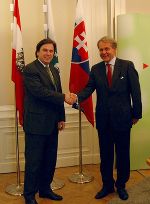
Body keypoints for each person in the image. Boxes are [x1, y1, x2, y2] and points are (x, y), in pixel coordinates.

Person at [76, 36, 142, 200]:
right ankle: (107, 185)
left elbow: (136, 92)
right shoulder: (96, 68)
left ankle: (121, 186)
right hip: (104, 121)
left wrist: (136, 114)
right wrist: (75, 97)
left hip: (123, 120)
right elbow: (89, 89)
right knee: (105, 156)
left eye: (107, 49)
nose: (104, 52)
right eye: (101, 49)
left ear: (114, 49)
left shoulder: (127, 66)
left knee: (122, 154)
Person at [23, 38, 76, 204]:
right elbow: (40, 92)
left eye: (51, 51)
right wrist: (64, 97)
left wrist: (61, 117)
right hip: (36, 124)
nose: (48, 54)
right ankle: (29, 195)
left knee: (49, 159)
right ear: (38, 51)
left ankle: (45, 190)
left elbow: (57, 94)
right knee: (34, 162)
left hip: (52, 123)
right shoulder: (30, 69)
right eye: (45, 50)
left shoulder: (54, 69)